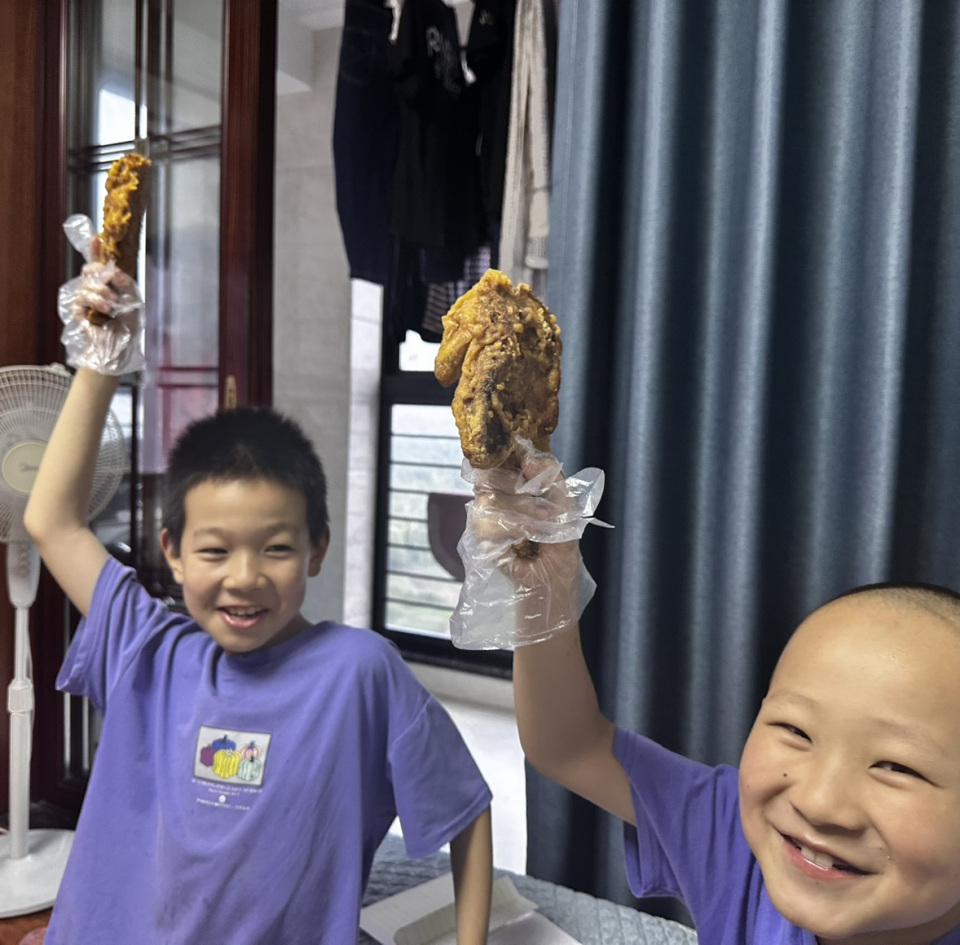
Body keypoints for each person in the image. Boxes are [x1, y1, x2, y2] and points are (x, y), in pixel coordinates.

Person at [24, 243, 493, 944]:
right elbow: (51, 521)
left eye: (275, 548)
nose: (244, 577)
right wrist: (103, 355)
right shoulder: (147, 645)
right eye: (215, 550)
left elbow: (467, 808)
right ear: (173, 553)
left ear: (316, 549)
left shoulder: (358, 671)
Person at [467, 443, 960, 945]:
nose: (818, 803)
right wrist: (545, 590)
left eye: (898, 767)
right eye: (795, 730)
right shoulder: (737, 834)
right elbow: (570, 748)